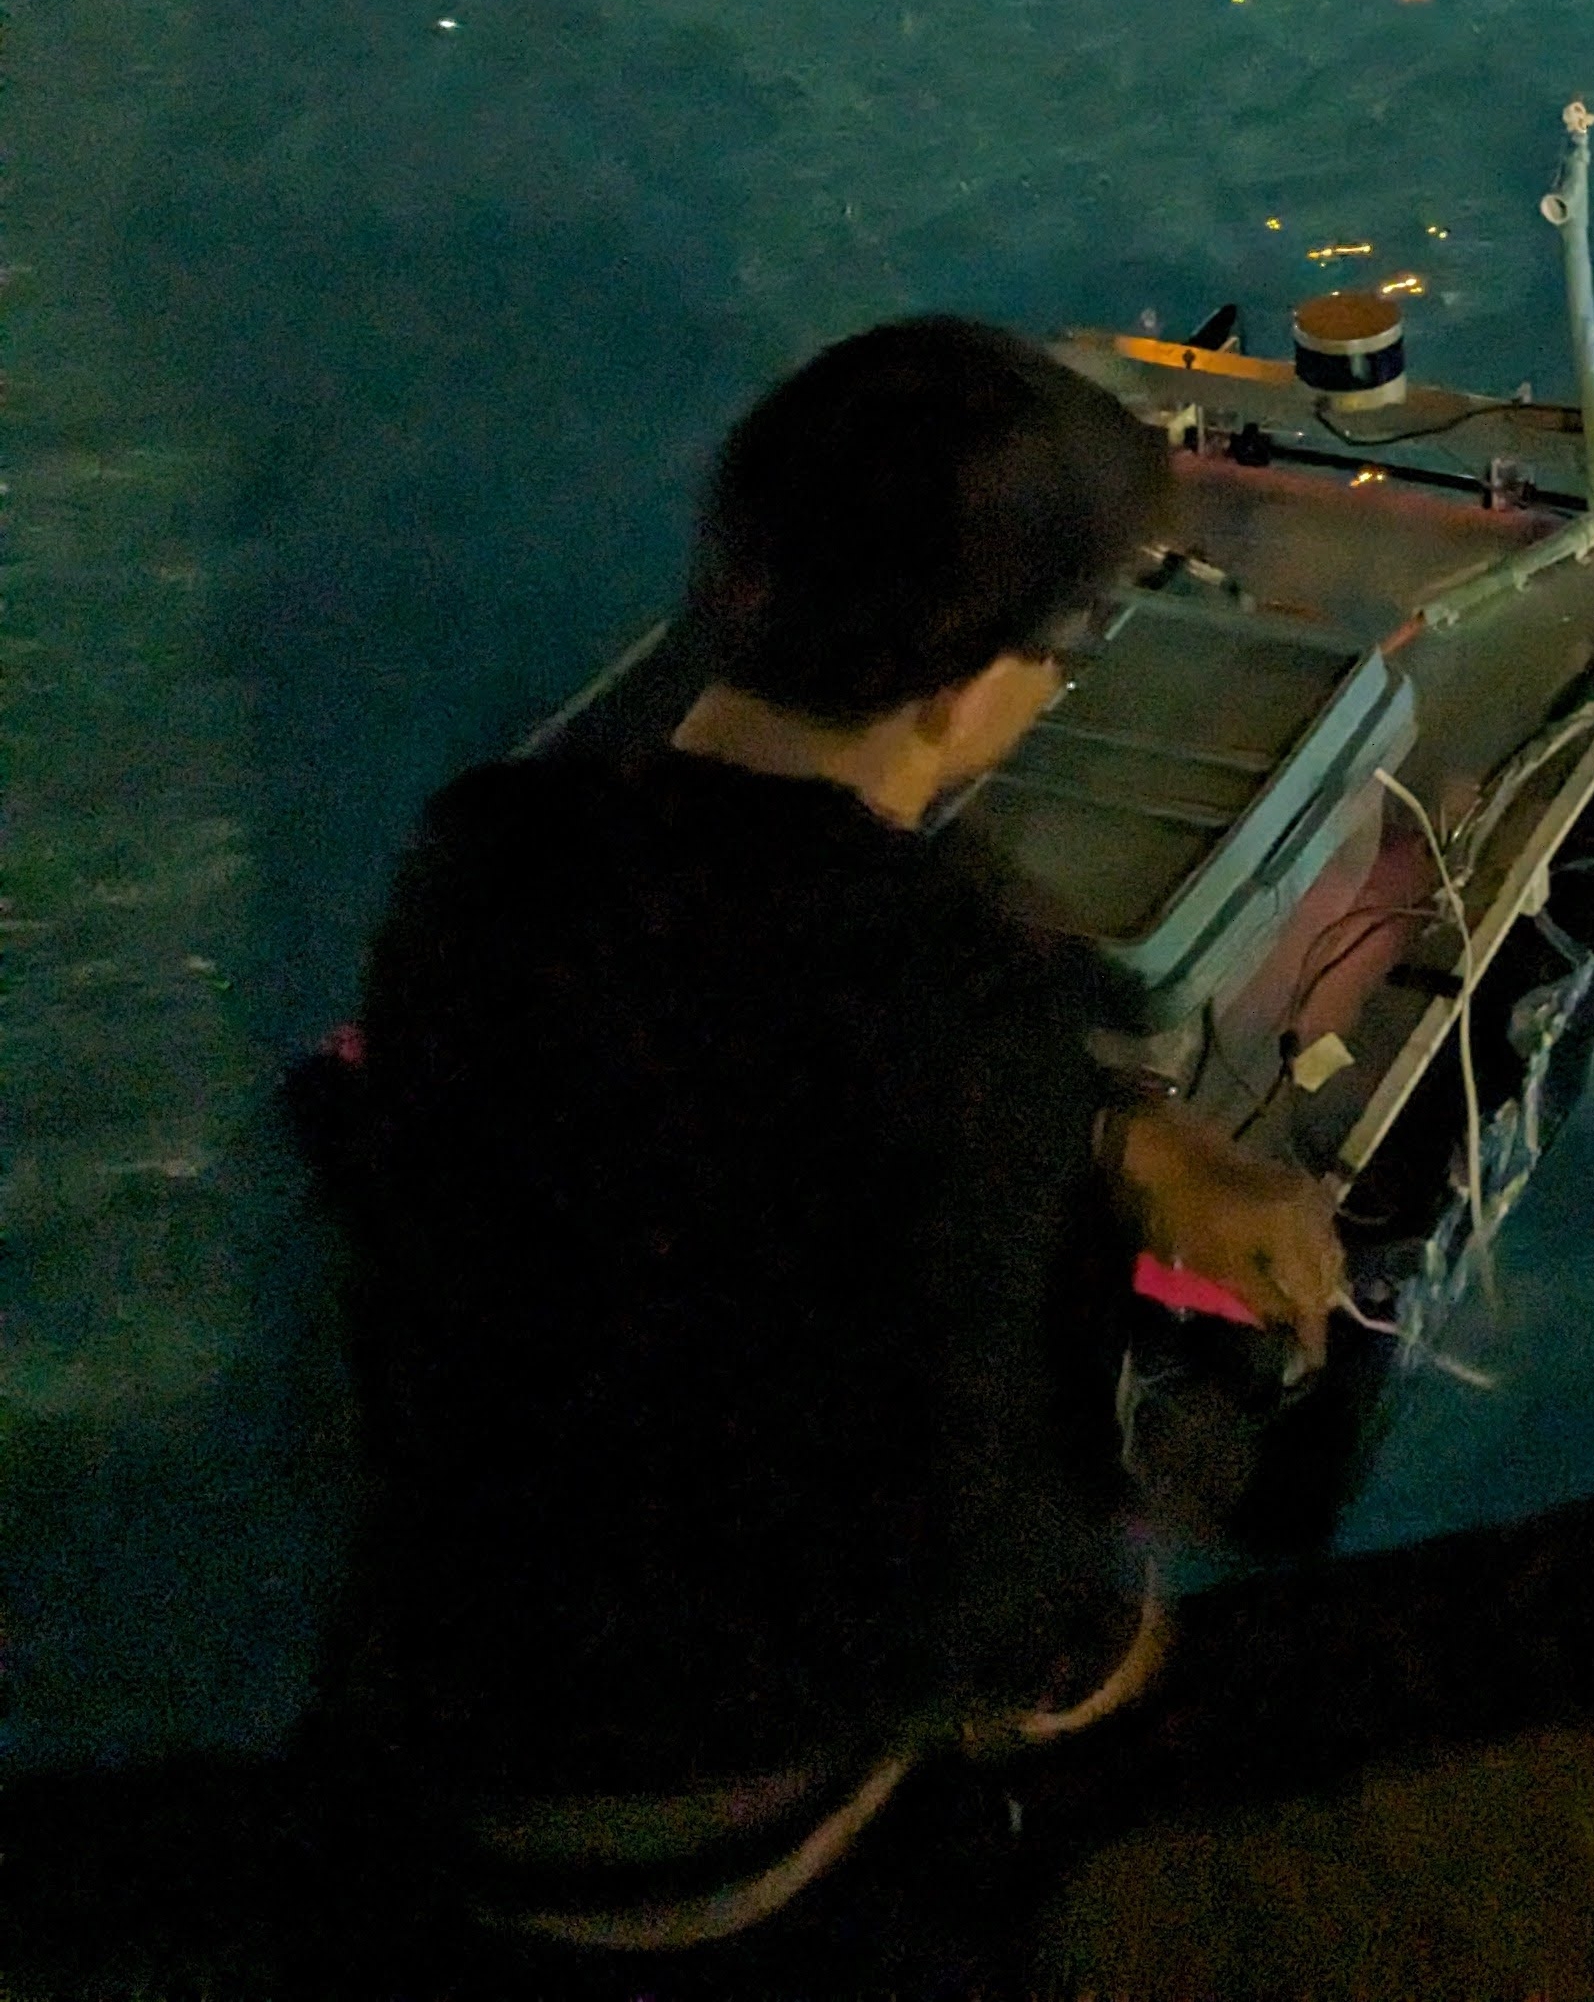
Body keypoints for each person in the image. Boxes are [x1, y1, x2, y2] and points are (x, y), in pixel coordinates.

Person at [333, 318, 1346, 1955]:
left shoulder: (485, 849)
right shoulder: (959, 996)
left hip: (428, 1723)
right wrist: (1100, 1639)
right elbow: (980, 1575)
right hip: (705, 1838)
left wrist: (1114, 1137)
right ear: (968, 686)